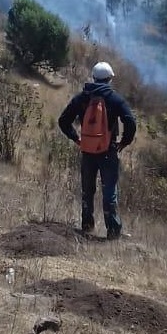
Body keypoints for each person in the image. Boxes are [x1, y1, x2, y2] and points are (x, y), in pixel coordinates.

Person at [58, 62, 137, 240]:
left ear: (94, 78)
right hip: (108, 152)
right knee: (109, 191)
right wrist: (124, 142)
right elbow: (130, 122)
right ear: (109, 79)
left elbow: (63, 121)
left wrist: (76, 138)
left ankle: (87, 226)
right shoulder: (115, 98)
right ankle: (113, 232)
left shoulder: (81, 98)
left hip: (87, 151)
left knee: (87, 190)